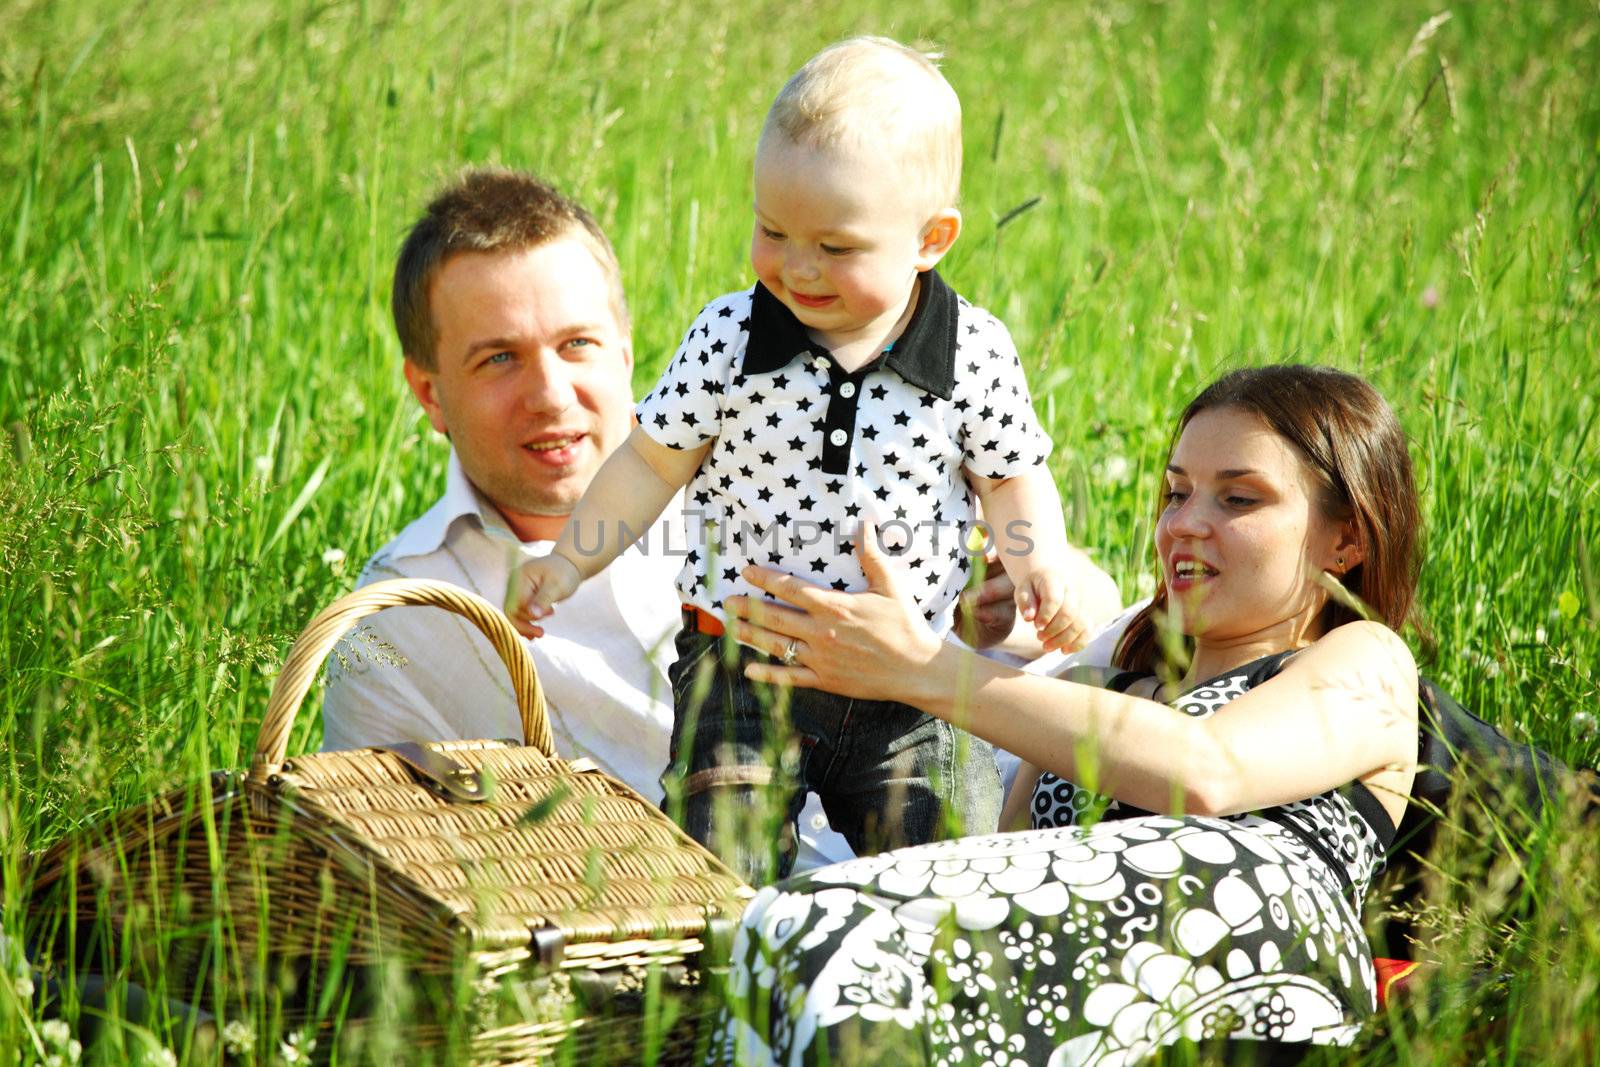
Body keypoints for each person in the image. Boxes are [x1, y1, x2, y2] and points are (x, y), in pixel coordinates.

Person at [508, 37, 1118, 883]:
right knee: (723, 860)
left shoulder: (971, 352)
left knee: (944, 866)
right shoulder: (729, 337)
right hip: (743, 659)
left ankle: (913, 1004)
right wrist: (570, 560)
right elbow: (650, 462)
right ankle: (728, 998)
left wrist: (1035, 558)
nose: (796, 267)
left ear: (930, 239)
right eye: (772, 230)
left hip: (906, 671)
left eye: (835, 247)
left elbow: (1011, 477)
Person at [713, 364, 1423, 1064]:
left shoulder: (1366, 659)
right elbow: (993, 862)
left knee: (825, 928)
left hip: (1242, 971)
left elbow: (1209, 769)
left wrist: (929, 667)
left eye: (1238, 500)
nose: (1184, 524)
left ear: (1347, 540)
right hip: (1058, 985)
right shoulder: (1098, 687)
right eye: (1176, 493)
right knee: (784, 926)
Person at [319, 168, 853, 870]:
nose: (549, 394)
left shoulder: (769, 479)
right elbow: (381, 866)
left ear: (627, 350)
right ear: (430, 393)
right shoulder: (401, 621)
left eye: (577, 345)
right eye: (500, 358)